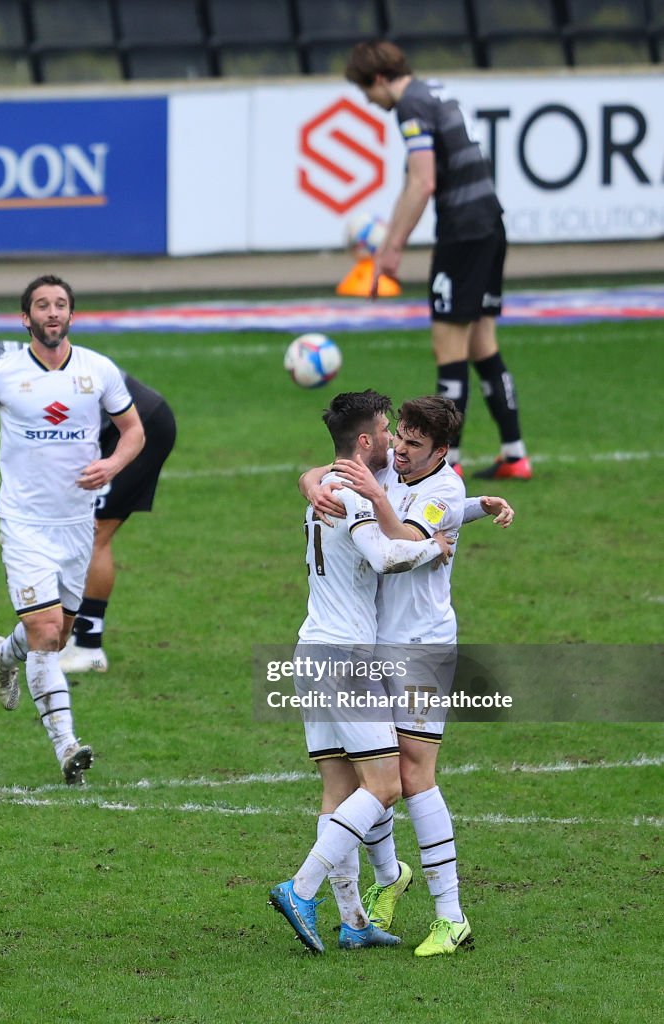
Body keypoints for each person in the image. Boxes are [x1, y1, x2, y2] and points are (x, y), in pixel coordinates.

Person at [305, 395, 503, 956]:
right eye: (401, 438)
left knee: (414, 776)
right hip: (372, 646)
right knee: (377, 772)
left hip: (422, 646)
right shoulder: (394, 465)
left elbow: (411, 540)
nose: (401, 451)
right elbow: (332, 464)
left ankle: (450, 916)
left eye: (415, 445)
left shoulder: (446, 487)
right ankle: (390, 876)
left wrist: (378, 498)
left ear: (442, 450)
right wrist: (312, 483)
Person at [0, 275, 145, 785]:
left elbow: (134, 431)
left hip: (77, 524)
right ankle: (66, 747)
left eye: (60, 305)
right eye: (41, 306)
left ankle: (3, 654)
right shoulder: (2, 375)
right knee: (46, 632)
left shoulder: (98, 371)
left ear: (71, 316)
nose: (52, 313)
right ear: (26, 319)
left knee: (54, 632)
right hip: (24, 524)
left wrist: (113, 465)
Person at [268, 390, 454, 954]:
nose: (396, 440)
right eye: (388, 431)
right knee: (386, 785)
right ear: (367, 440)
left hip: (311, 652)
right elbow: (386, 557)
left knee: (338, 791)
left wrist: (469, 506)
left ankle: (352, 921)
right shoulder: (350, 495)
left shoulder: (327, 488)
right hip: (345, 659)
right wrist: (436, 546)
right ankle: (301, 888)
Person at [0, 333, 176, 674]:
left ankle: (87, 647)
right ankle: (66, 635)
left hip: (135, 428)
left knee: (94, 533)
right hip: (115, 428)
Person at [345, 40, 531, 481]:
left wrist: (390, 250)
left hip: (463, 232)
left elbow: (422, 180)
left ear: (377, 79)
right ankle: (514, 453)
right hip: (489, 221)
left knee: (447, 347)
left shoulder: (410, 105)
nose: (369, 102)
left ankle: (448, 460)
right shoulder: (435, 91)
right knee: (482, 342)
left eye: (365, 92)